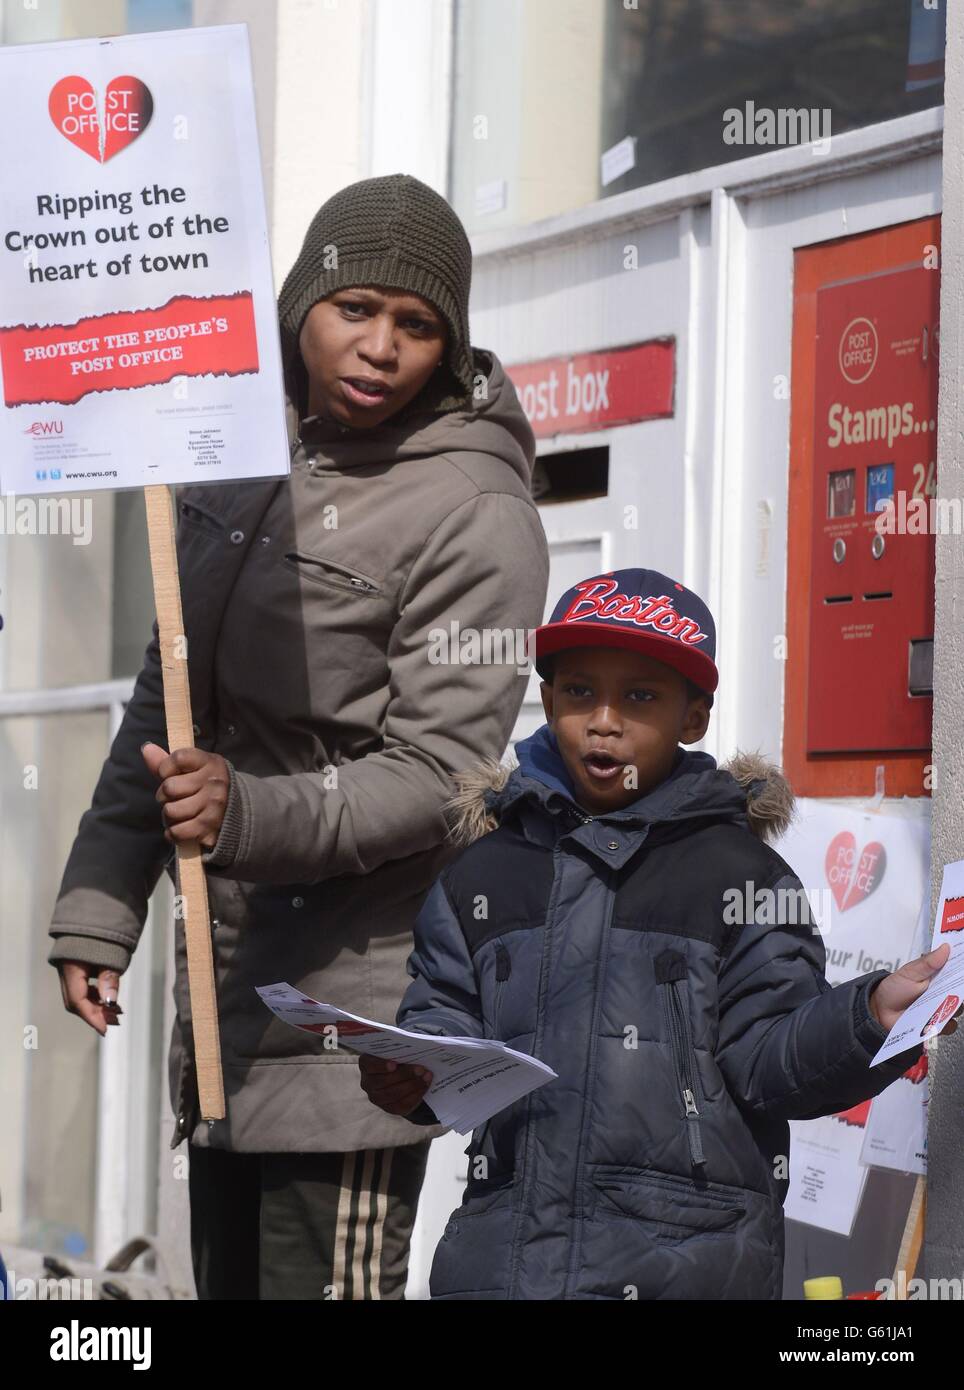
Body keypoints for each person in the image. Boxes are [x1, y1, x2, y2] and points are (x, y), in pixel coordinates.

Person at [48, 173, 549, 1300]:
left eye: (417, 326)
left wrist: (248, 811)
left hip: (356, 1022)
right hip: (224, 1001)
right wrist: (100, 902)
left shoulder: (476, 508)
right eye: (354, 309)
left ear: (449, 344)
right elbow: (168, 701)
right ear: (296, 309)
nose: (380, 347)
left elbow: (441, 776)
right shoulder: (235, 448)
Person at [359, 566, 947, 1300]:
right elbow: (441, 1023)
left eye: (640, 696)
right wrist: (412, 1076)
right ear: (546, 702)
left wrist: (870, 1018)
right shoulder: (480, 876)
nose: (604, 720)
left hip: (690, 1271)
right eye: (579, 692)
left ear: (693, 719)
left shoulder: (745, 878)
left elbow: (773, 1059)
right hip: (498, 1269)